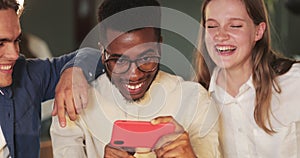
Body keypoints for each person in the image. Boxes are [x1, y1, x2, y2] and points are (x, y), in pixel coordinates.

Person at [50, 0, 221, 157]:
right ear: (103, 52)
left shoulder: (196, 100)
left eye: (146, 58)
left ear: (160, 47)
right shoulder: (74, 106)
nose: (134, 75)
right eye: (119, 60)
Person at [194, 0, 300, 157]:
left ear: (258, 31)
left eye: (235, 26)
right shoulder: (194, 102)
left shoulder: (295, 81)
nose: (220, 36)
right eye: (212, 26)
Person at [0, 0, 104, 157]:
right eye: (1, 43)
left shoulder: (27, 75)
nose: (15, 54)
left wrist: (73, 70)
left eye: (17, 41)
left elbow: (95, 57)